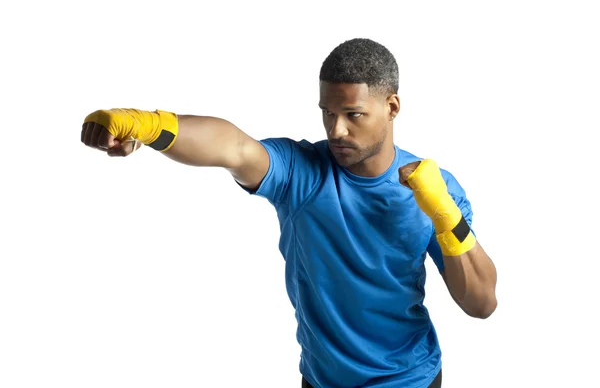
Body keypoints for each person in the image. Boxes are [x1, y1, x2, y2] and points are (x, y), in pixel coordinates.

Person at [80, 38, 497, 388]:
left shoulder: (433, 189)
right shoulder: (302, 172)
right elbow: (234, 147)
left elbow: (481, 303)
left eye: (353, 115)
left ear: (392, 107)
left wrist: (444, 216)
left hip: (409, 381)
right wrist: (149, 126)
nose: (336, 131)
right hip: (321, 381)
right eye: (328, 113)